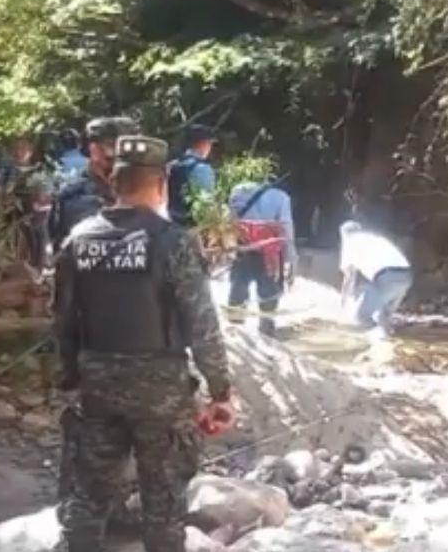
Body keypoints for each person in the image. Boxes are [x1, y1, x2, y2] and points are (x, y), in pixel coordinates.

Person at [54, 135, 232, 552]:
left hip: (97, 385)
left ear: (113, 181)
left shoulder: (78, 240)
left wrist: (69, 377)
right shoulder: (174, 241)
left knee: (87, 499)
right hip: (160, 390)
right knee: (164, 505)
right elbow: (201, 323)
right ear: (162, 181)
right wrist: (220, 391)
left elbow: (62, 320)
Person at [48, 117, 138, 250]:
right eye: (113, 147)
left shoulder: (147, 190)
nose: (122, 156)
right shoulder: (71, 198)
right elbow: (61, 252)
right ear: (94, 150)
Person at [227, 177, 296, 337]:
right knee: (269, 293)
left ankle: (235, 330)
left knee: (238, 286)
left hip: (242, 247)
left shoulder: (237, 190)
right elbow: (286, 229)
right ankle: (266, 330)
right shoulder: (281, 197)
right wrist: (291, 258)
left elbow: (230, 221)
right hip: (269, 252)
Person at [339, 220, 412, 336]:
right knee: (382, 315)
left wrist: (342, 303)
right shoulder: (376, 238)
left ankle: (379, 346)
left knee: (361, 316)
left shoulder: (350, 242)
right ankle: (388, 339)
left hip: (387, 278)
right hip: (406, 277)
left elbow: (349, 277)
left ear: (344, 234)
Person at [167, 124, 217, 226]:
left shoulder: (170, 165)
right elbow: (204, 204)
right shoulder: (202, 169)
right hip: (189, 227)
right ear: (204, 144)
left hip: (168, 224)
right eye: (209, 144)